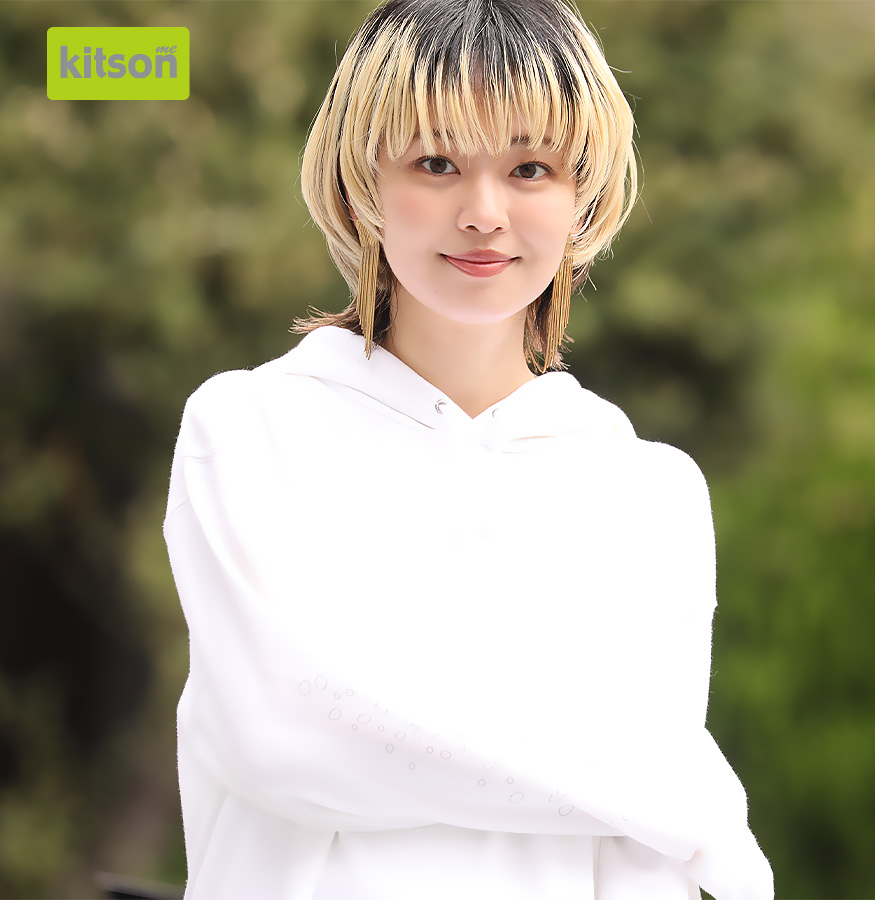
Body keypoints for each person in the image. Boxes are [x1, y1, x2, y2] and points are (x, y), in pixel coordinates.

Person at [163, 0, 774, 897]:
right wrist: (669, 789)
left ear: (582, 196)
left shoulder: (648, 492)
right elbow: (286, 738)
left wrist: (661, 797)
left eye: (530, 168)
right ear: (360, 183)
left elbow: (642, 858)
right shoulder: (251, 432)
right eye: (437, 163)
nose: (484, 213)